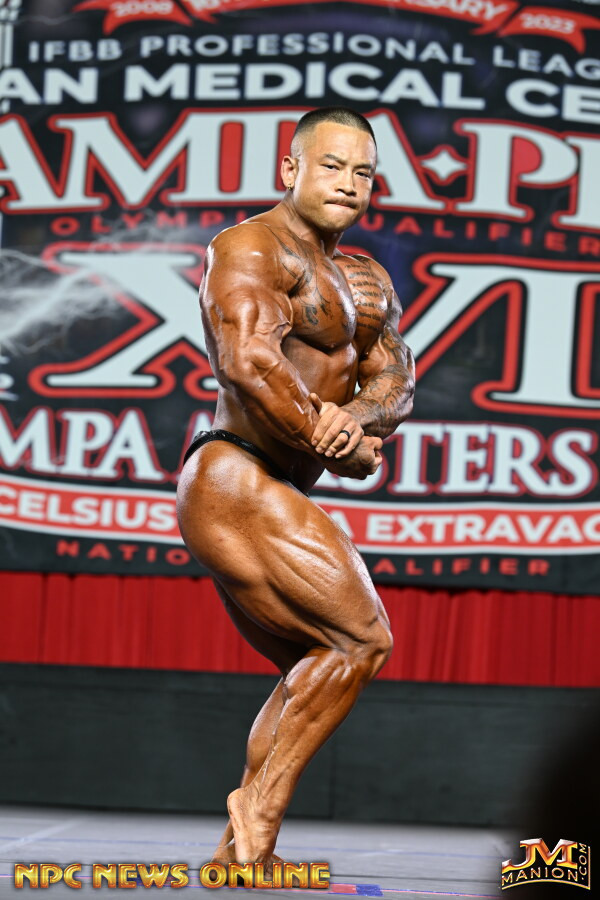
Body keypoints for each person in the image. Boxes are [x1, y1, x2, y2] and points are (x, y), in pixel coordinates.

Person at [176, 107, 415, 868]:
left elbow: (395, 378)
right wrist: (329, 437)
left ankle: (244, 856)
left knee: (319, 660)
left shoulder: (366, 278)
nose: (348, 183)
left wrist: (357, 421)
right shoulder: (250, 246)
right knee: (361, 638)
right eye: (332, 165)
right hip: (234, 474)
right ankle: (257, 812)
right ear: (291, 169)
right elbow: (248, 359)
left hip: (272, 481)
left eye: (363, 172)